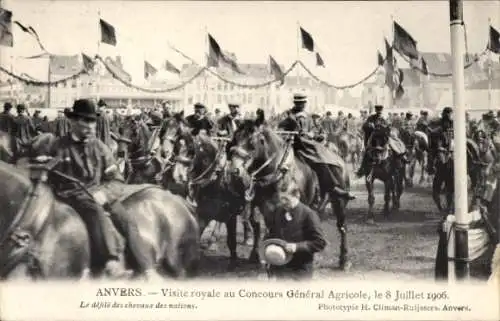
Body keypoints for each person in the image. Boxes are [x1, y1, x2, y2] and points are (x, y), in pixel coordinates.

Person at [40, 99, 158, 279]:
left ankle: (148, 269)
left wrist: (104, 194)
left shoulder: (101, 148)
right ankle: (110, 261)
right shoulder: (58, 146)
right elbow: (45, 175)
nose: (89, 126)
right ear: (72, 122)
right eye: (84, 121)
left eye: (92, 121)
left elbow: (116, 180)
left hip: (99, 193)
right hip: (69, 197)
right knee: (93, 211)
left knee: (126, 220)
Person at [278, 93, 355, 200]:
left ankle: (331, 186)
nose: (301, 105)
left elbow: (313, 130)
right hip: (293, 144)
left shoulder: (307, 116)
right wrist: (289, 130)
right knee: (319, 156)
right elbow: (279, 128)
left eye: (302, 103)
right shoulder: (287, 115)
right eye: (299, 103)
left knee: (323, 157)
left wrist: (312, 134)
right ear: (296, 103)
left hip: (305, 142)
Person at [263, 182, 326, 280]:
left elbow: (320, 243)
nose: (283, 202)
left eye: (286, 199)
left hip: (300, 270)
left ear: (297, 196)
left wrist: (297, 247)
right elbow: (271, 234)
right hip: (279, 268)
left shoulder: (309, 215)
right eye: (281, 198)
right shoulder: (278, 211)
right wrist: (267, 254)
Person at [356, 105, 390, 177]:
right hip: (373, 139)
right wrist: (369, 125)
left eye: (380, 112)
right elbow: (364, 126)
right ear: (376, 111)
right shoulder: (371, 118)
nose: (379, 113)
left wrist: (385, 128)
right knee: (366, 152)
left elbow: (388, 128)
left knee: (390, 148)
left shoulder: (383, 119)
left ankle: (393, 167)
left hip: (383, 139)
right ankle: (361, 169)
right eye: (378, 111)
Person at [427, 107, 454, 175]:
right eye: (449, 113)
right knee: (435, 153)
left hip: (451, 142)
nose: (450, 115)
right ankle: (431, 167)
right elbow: (432, 130)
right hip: (440, 142)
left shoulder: (452, 122)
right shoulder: (439, 122)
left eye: (450, 113)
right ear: (445, 114)